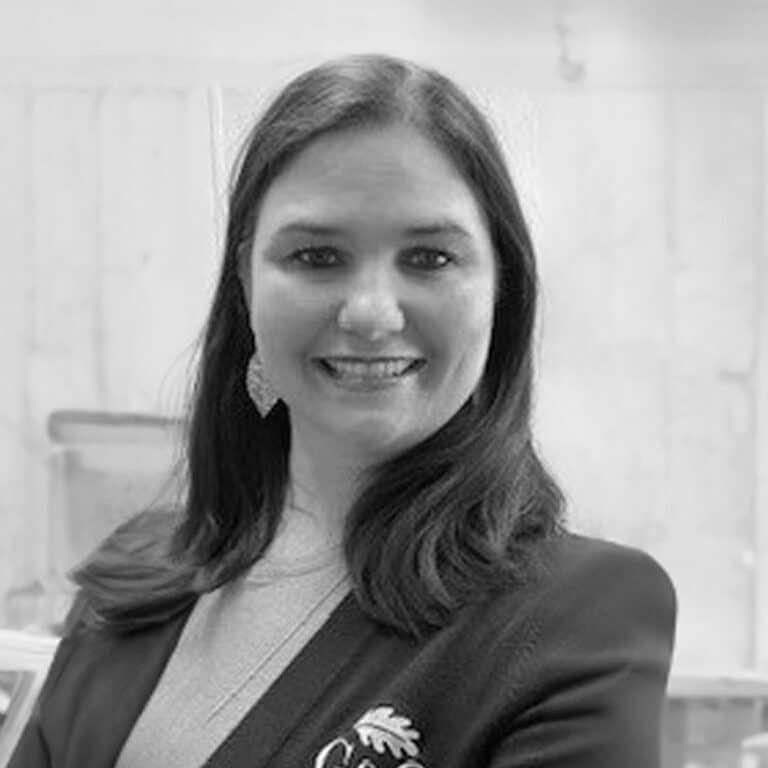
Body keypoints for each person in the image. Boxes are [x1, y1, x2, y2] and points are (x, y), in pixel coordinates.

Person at [10, 53, 676, 768]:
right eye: (317, 256)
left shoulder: (578, 618)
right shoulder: (136, 574)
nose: (370, 313)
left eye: (430, 258)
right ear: (245, 281)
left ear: (501, 288)